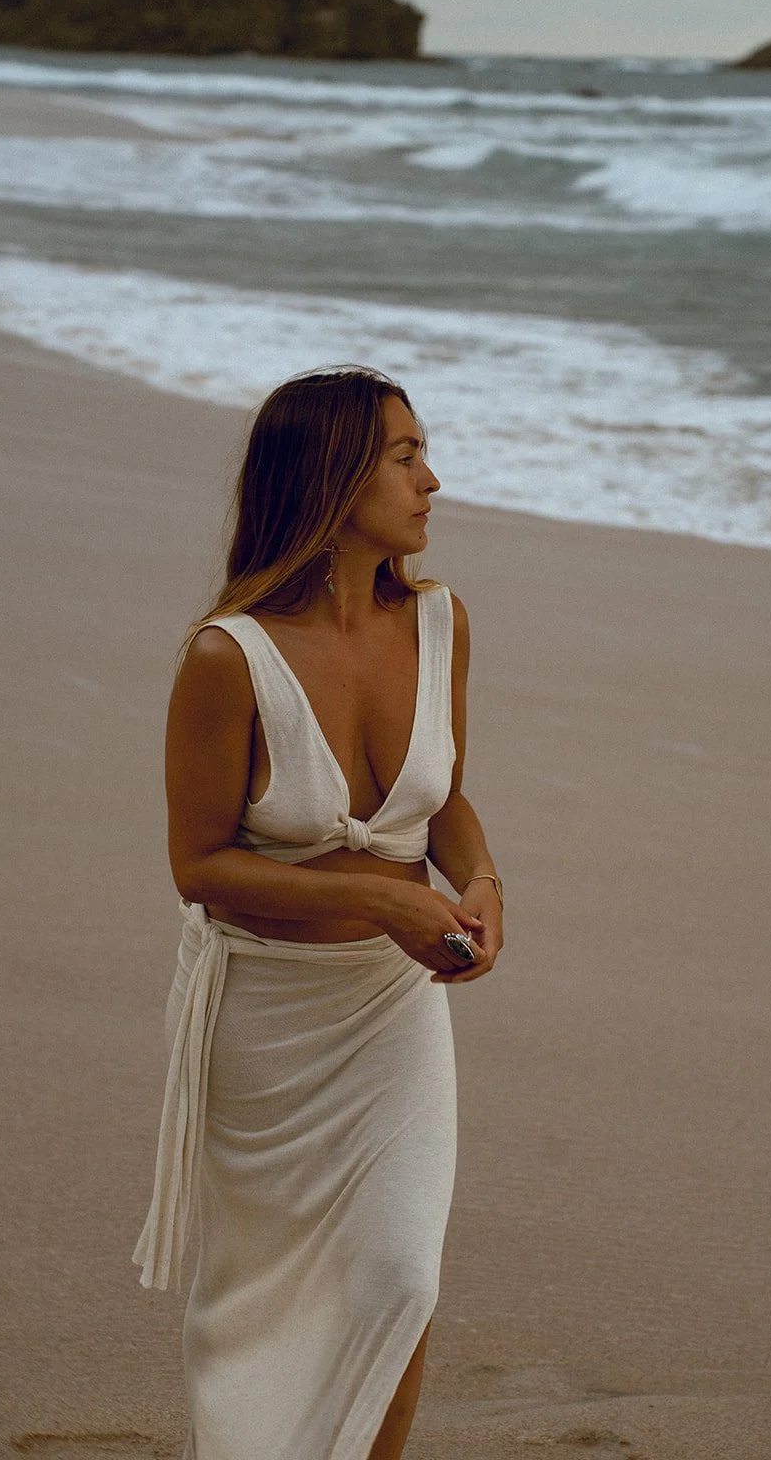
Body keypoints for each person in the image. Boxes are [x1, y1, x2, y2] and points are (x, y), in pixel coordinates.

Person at [133, 365, 503, 1460]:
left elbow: (443, 799)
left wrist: (480, 884)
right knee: (260, 1309)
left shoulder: (440, 622)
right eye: (404, 456)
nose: (431, 481)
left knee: (398, 1276)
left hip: (390, 1014)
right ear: (334, 478)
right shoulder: (225, 658)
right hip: (268, 1021)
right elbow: (198, 865)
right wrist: (377, 896)